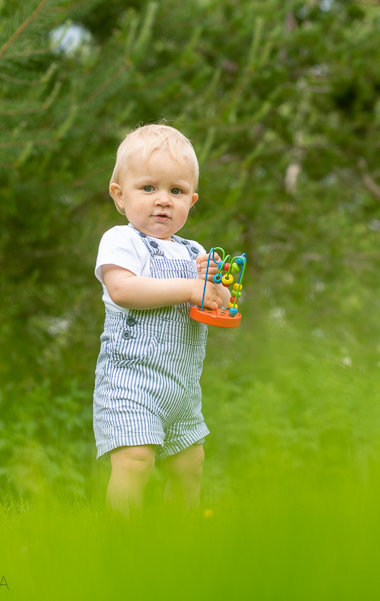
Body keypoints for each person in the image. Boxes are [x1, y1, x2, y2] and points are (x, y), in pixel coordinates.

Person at [92, 124, 229, 518]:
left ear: (192, 200)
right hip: (131, 382)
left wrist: (215, 286)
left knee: (190, 464)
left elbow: (215, 304)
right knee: (135, 461)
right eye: (148, 188)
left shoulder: (195, 251)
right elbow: (123, 290)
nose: (163, 201)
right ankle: (121, 538)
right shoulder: (121, 241)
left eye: (176, 191)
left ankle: (179, 540)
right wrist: (189, 288)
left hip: (182, 388)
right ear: (120, 195)